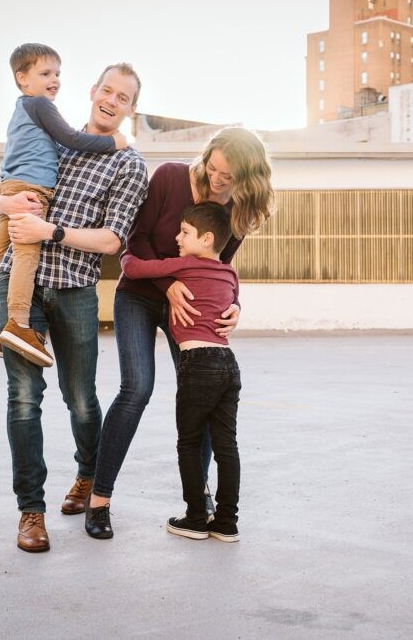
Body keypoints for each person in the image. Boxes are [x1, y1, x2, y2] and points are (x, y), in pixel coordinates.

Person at [0, 63, 148, 553]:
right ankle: (30, 512)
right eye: (107, 90)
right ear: (93, 91)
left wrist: (49, 231)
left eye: (123, 97)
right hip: (22, 284)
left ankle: (86, 477)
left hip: (75, 289)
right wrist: (4, 206)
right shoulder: (51, 135)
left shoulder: (128, 163)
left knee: (80, 398)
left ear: (130, 108)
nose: (112, 100)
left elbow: (114, 240)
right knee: (23, 398)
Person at [84, 127, 274, 540]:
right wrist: (169, 282)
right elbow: (135, 243)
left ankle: (198, 500)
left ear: (248, 177)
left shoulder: (238, 211)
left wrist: (235, 305)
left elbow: (220, 270)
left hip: (186, 306)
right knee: (136, 389)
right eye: (213, 168)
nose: (217, 180)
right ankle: (99, 499)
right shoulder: (170, 177)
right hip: (140, 294)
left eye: (228, 176)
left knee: (202, 392)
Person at [0, 43, 128, 368]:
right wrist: (114, 142)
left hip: (13, 185)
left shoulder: (22, 109)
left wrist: (4, 199)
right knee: (26, 253)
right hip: (31, 190)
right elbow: (73, 139)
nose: (55, 80)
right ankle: (19, 326)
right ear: (22, 78)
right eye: (46, 73)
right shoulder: (40, 105)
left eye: (58, 74)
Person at [120, 202, 243, 543]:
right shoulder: (230, 273)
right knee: (226, 446)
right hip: (228, 364)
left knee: (189, 443)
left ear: (206, 239)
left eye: (184, 232)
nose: (177, 237)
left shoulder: (185, 265)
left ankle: (195, 518)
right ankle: (227, 522)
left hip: (197, 363)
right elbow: (232, 298)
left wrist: (155, 270)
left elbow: (131, 266)